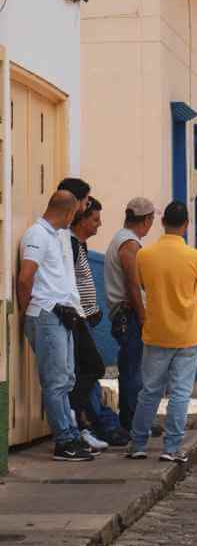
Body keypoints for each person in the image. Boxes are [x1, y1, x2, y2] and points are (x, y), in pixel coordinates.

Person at [127, 201, 197, 466]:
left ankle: (137, 444)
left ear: (162, 223)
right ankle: (171, 447)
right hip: (187, 334)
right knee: (180, 394)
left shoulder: (144, 255)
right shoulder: (196, 257)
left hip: (156, 331)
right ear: (186, 225)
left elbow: (142, 285)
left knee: (149, 391)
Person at [16, 189, 94, 462]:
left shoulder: (54, 235)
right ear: (68, 212)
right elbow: (26, 278)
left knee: (67, 378)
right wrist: (28, 312)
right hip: (47, 314)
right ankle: (64, 441)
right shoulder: (37, 235)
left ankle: (70, 434)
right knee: (56, 381)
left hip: (61, 315)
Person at [69, 197, 129, 449]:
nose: (99, 224)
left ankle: (97, 422)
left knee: (90, 375)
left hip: (87, 320)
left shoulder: (80, 246)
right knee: (91, 370)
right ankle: (87, 419)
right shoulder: (71, 246)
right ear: (81, 219)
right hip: (77, 320)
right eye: (94, 219)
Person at [105, 198, 156, 432]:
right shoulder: (129, 244)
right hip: (130, 315)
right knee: (133, 371)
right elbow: (133, 285)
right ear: (146, 220)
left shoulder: (123, 240)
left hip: (127, 314)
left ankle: (134, 422)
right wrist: (143, 316)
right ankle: (135, 423)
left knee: (132, 369)